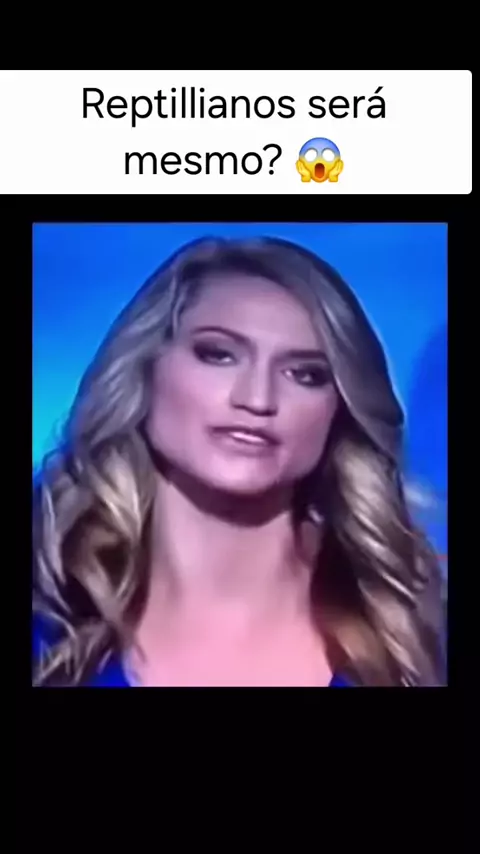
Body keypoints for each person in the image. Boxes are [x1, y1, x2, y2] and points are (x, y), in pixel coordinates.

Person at [32, 235, 447, 687]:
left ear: (339, 410)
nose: (257, 398)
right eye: (218, 355)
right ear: (146, 370)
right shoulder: (50, 612)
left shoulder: (409, 634)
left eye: (304, 374)